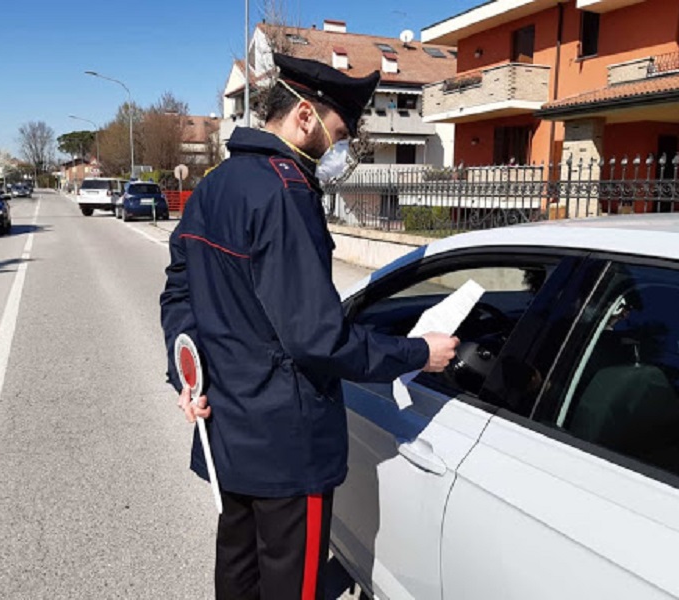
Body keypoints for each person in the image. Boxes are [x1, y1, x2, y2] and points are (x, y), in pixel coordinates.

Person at [160, 53, 458, 600]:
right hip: (286, 447)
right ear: (304, 115)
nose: (341, 149)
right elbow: (317, 338)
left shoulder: (216, 184)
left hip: (228, 431)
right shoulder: (285, 191)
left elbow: (181, 291)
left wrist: (188, 376)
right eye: (339, 133)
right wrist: (419, 353)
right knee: (290, 587)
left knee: (238, 573)